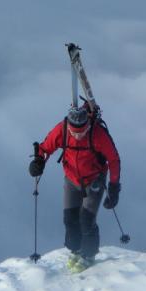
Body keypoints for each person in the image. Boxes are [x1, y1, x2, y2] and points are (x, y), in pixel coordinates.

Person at [29, 106, 121, 272]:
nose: (78, 136)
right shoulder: (62, 130)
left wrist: (114, 187)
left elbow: (113, 159)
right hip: (72, 179)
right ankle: (76, 250)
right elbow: (45, 148)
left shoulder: (98, 134)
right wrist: (38, 162)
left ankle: (89, 255)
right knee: (70, 219)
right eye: (74, 132)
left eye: (82, 131)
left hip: (94, 179)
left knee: (86, 220)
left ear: (88, 125)